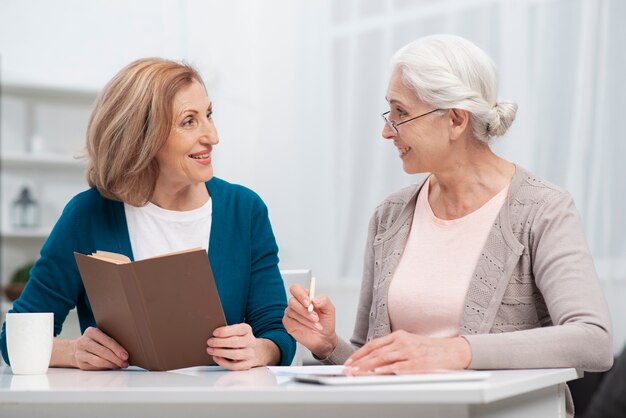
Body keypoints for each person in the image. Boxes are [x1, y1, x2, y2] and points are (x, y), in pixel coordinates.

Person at [283, 34, 612, 416]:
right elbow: (365, 360)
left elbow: (593, 340)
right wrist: (327, 345)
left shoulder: (541, 209)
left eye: (401, 113)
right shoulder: (389, 216)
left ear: (455, 119)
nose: (387, 131)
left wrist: (453, 351)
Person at [1, 58, 295, 370]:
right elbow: (13, 339)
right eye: (188, 122)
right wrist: (72, 351)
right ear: (141, 137)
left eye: (208, 115)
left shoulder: (244, 210)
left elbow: (278, 334)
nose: (212, 136)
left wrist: (259, 349)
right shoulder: (87, 214)